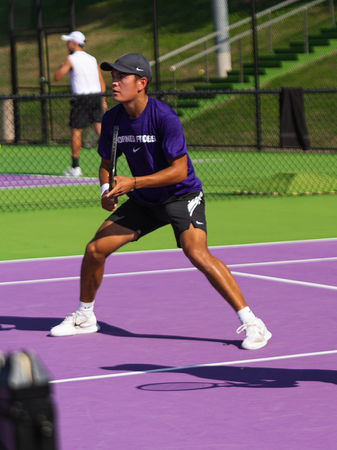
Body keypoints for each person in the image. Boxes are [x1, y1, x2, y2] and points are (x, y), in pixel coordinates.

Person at [49, 53, 272, 350]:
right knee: (94, 250)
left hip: (182, 195)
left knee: (196, 252)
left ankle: (254, 323)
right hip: (144, 200)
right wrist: (105, 188)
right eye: (113, 77)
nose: (113, 83)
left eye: (121, 78)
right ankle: (85, 316)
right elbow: (106, 163)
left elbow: (179, 170)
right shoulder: (113, 119)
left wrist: (132, 182)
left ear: (141, 83)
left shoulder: (163, 117)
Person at [53, 31, 108, 177]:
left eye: (68, 41)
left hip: (81, 99)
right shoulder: (92, 59)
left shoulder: (70, 58)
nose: (66, 44)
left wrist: (62, 65)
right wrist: (102, 99)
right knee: (100, 129)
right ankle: (112, 161)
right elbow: (101, 81)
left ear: (74, 43)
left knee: (76, 131)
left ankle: (75, 167)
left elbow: (57, 77)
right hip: (96, 97)